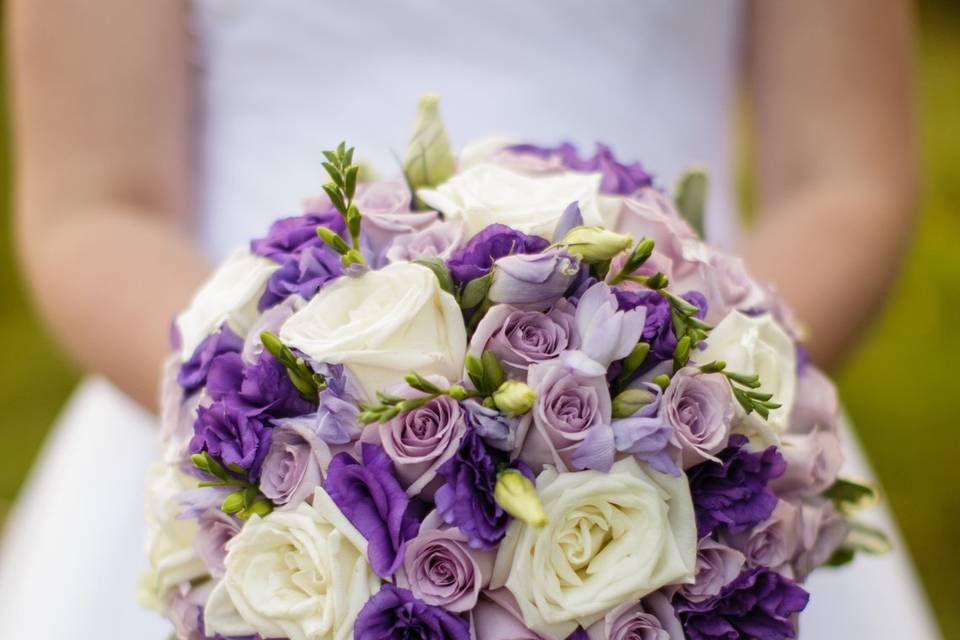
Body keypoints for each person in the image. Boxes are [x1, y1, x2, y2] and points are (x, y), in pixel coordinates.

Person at [0, 0, 939, 638]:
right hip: (231, 423)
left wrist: (682, 412)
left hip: (692, 425)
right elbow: (97, 206)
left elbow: (841, 178)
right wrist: (295, 438)